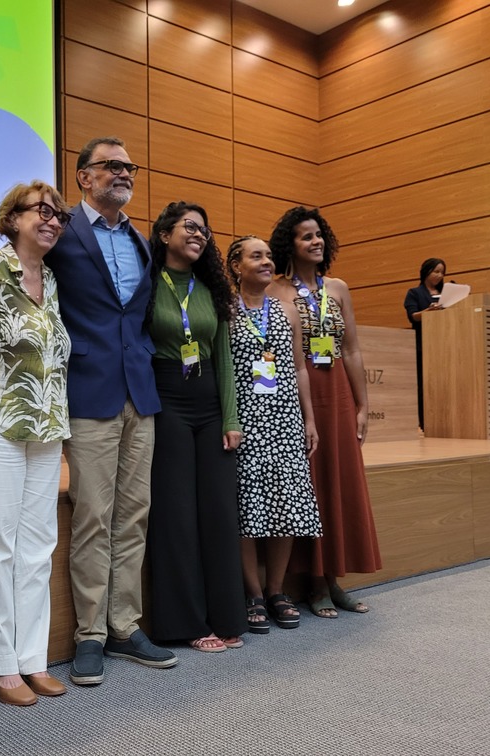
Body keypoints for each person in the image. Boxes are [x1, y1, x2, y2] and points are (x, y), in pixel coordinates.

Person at [0, 136, 176, 685]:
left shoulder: (139, 239)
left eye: (130, 166)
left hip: (139, 394)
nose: (124, 174)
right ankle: (90, 634)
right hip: (82, 395)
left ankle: (125, 624)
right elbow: (9, 267)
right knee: (91, 517)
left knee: (133, 516)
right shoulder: (61, 234)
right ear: (84, 176)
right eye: (111, 166)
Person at [0, 181, 72, 706]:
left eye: (59, 215)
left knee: (37, 549)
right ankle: (1, 665)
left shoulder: (52, 279)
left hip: (47, 427)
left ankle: (33, 659)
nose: (51, 220)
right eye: (41, 211)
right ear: (12, 218)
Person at [267, 206, 381, 618]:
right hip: (296, 393)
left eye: (318, 235)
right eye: (305, 236)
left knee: (339, 482)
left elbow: (350, 348)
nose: (315, 242)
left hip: (337, 393)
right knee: (309, 485)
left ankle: (334, 578)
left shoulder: (338, 288)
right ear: (290, 246)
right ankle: (315, 583)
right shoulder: (274, 290)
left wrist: (363, 404)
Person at [145, 201, 247, 652]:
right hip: (165, 400)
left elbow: (223, 356)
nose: (199, 234)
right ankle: (184, 623)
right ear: (165, 234)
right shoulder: (146, 285)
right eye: (189, 226)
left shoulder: (211, 287)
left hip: (209, 402)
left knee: (220, 512)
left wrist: (231, 417)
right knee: (177, 515)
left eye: (204, 229)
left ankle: (227, 615)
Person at [226, 235, 321, 634]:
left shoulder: (288, 310)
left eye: (268, 255)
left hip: (284, 418)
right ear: (235, 265)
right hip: (245, 417)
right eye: (256, 256)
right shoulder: (225, 309)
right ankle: (253, 594)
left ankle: (277, 590)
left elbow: (300, 368)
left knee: (287, 502)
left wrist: (309, 420)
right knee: (248, 505)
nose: (266, 261)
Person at [403, 258, 446, 430]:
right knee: (423, 384)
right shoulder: (414, 292)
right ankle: (425, 422)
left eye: (442, 272)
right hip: (423, 344)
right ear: (426, 272)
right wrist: (428, 312)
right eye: (436, 271)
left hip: (445, 344)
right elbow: (413, 316)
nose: (439, 275)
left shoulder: (446, 292)